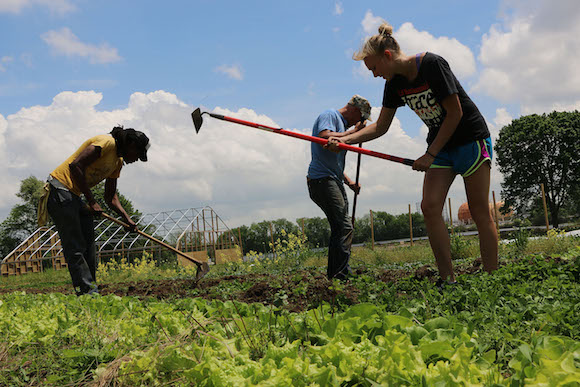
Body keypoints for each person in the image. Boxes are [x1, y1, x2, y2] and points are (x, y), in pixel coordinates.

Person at [330, 22, 498, 286]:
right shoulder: (394, 84)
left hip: (470, 140)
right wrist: (344, 138)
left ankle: (492, 278)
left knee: (478, 212)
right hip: (441, 149)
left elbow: (455, 113)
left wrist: (429, 155)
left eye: (373, 68)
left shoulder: (432, 65)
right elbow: (381, 127)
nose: (374, 75)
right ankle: (448, 280)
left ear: (387, 56)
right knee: (430, 208)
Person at [38, 126, 150, 295]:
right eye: (137, 153)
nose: (136, 159)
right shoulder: (106, 143)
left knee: (89, 245)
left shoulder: (117, 162)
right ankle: (87, 292)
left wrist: (127, 219)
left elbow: (110, 197)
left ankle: (90, 287)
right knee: (75, 245)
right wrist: (91, 201)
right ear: (130, 144)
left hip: (75, 195)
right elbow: (75, 166)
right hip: (60, 189)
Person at [307, 95, 371, 280]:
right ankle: (340, 275)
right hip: (322, 180)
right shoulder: (330, 115)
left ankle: (337, 273)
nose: (358, 123)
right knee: (344, 226)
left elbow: (333, 163)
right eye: (360, 118)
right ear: (355, 110)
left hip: (332, 179)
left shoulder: (342, 126)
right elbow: (324, 137)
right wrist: (353, 134)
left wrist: (349, 181)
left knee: (341, 227)